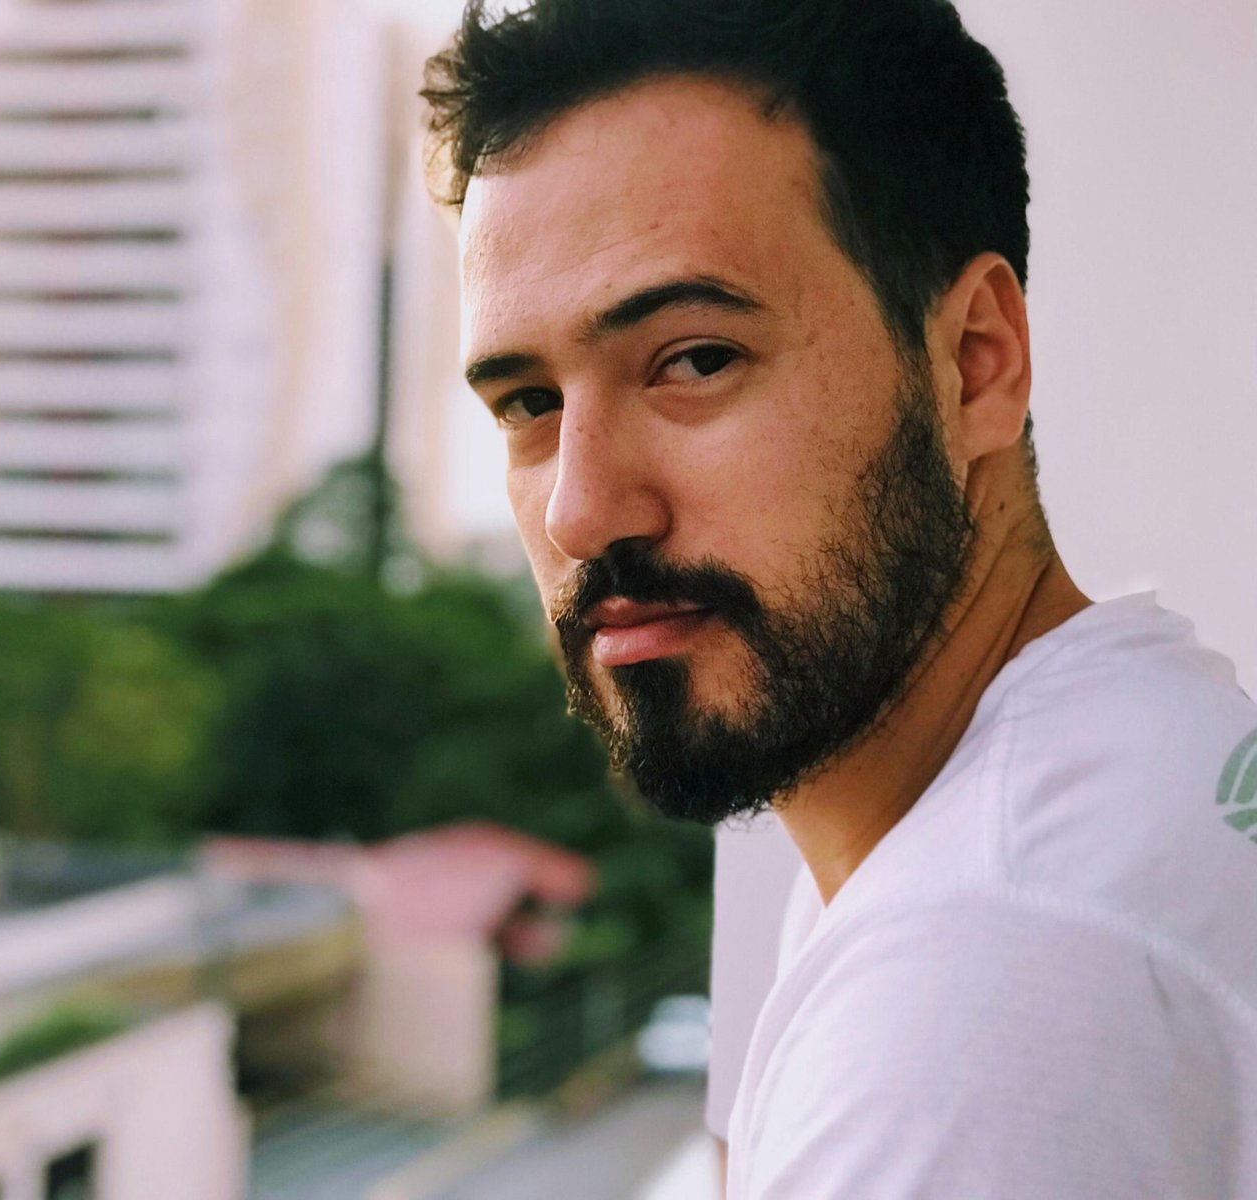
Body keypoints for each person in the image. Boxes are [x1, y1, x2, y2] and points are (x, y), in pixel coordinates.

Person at [420, 1, 1257, 1196]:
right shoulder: (1138, 748)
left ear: (977, 361)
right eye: (526, 404)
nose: (580, 512)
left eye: (695, 359)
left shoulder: (987, 979)